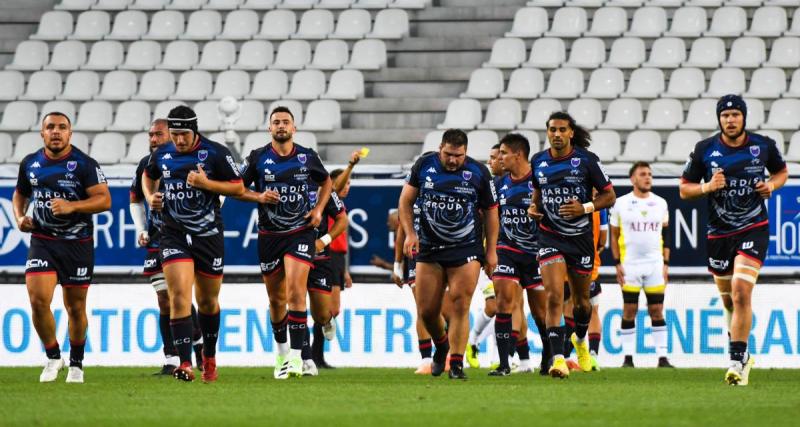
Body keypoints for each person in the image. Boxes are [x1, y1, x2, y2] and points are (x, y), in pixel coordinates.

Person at [679, 94, 787, 386]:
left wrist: (772, 186)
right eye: (725, 116)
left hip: (754, 228)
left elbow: (781, 172)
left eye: (735, 115)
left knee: (741, 292)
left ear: (743, 117)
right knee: (728, 301)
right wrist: (707, 186)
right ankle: (743, 353)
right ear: (719, 119)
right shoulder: (705, 149)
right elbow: (684, 189)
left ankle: (736, 360)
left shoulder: (762, 146)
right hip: (719, 234)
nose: (730, 120)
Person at [142, 106, 245, 382]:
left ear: (194, 130)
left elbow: (238, 188)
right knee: (179, 296)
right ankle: (185, 362)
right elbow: (147, 175)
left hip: (207, 235)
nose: (179, 140)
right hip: (173, 233)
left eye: (183, 134)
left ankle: (209, 356)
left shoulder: (216, 153)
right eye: (174, 134)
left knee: (208, 301)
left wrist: (206, 183)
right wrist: (150, 196)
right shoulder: (162, 153)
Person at [14, 111, 112, 383]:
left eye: (62, 127)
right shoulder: (30, 163)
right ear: (42, 133)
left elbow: (104, 200)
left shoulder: (84, 164)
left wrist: (73, 206)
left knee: (76, 307)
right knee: (37, 300)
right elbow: (20, 193)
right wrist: (20, 217)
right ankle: (53, 357)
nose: (56, 132)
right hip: (43, 241)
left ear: (70, 133)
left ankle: (77, 363)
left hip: (77, 243)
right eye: (50, 127)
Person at [237, 106, 332, 379]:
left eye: (286, 122)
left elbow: (326, 183)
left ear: (294, 128)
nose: (281, 126)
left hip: (300, 233)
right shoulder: (257, 158)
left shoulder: (307, 157)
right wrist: (258, 197)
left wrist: (317, 211)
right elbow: (237, 188)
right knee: (276, 300)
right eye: (276, 122)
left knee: (295, 293)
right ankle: (281, 355)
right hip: (269, 236)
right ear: (269, 128)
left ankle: (299, 357)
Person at [399, 129, 499, 379]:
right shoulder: (424, 164)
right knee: (427, 311)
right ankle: (441, 346)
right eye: (448, 154)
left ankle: (456, 364)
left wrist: (491, 251)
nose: (453, 160)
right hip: (429, 248)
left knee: (460, 305)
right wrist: (410, 233)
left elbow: (490, 211)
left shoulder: (478, 172)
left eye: (459, 155)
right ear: (440, 148)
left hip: (466, 247)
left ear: (465, 152)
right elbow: (405, 201)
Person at [528, 112, 616, 379]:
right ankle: (558, 360)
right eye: (552, 129)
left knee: (580, 302)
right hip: (550, 237)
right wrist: (534, 207)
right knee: (554, 295)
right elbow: (538, 191)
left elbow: (610, 195)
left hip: (580, 239)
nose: (556, 134)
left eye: (561, 130)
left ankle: (580, 339)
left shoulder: (587, 161)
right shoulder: (538, 161)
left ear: (571, 133)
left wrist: (585, 208)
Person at [130, 118, 203, 375]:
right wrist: (141, 229)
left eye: (158, 135)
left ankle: (198, 346)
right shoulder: (145, 165)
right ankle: (172, 357)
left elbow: (219, 194)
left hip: (188, 237)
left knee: (179, 295)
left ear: (172, 136)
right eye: (150, 135)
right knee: (165, 299)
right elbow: (135, 201)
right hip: (158, 237)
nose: (153, 139)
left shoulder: (192, 161)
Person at [487, 133, 552, 377]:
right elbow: (491, 218)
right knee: (503, 303)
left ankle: (548, 357)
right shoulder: (499, 184)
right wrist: (489, 252)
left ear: (518, 154)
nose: (499, 158)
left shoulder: (539, 182)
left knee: (540, 313)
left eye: (503, 153)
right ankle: (504, 363)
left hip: (536, 254)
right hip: (506, 250)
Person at [610, 161, 674, 369]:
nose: (647, 177)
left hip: (655, 265)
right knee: (629, 309)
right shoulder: (621, 203)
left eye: (649, 174)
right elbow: (614, 235)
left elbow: (666, 234)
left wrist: (666, 263)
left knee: (657, 309)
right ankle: (628, 358)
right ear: (633, 179)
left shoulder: (661, 203)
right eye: (643, 174)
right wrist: (617, 263)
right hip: (630, 265)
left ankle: (662, 357)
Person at [302, 184, 348, 376]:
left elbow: (342, 220)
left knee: (323, 314)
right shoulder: (284, 181)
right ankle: (305, 358)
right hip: (293, 251)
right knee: (295, 303)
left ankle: (327, 321)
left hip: (322, 255)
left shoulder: (324, 189)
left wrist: (323, 242)